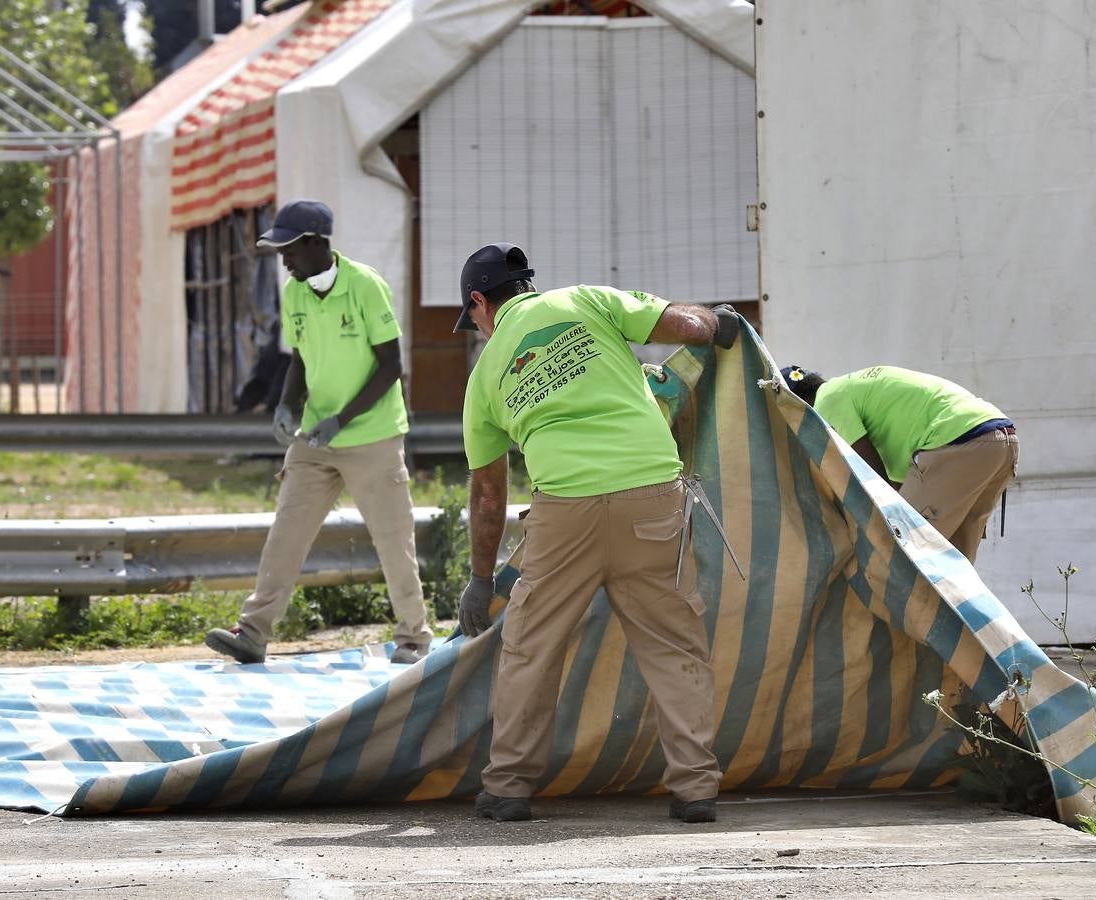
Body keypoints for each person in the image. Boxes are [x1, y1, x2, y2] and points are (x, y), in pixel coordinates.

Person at [454, 242, 738, 824]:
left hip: (564, 513)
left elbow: (488, 496)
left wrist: (481, 580)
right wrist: (720, 320)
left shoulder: (484, 377)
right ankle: (695, 789)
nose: (477, 328)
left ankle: (508, 787)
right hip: (652, 499)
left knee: (531, 649)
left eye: (473, 317)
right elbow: (688, 327)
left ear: (480, 302)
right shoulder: (588, 300)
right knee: (673, 643)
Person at [205, 200, 432, 666]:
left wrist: (342, 420)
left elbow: (391, 367)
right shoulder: (296, 292)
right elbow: (300, 360)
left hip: (372, 436)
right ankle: (252, 632)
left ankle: (413, 638)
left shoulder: (366, 286)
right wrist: (287, 406)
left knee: (394, 538)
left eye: (288, 249)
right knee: (287, 532)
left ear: (315, 243)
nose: (283, 260)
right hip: (315, 440)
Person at [781, 364, 1018, 563]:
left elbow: (873, 483)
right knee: (952, 569)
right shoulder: (852, 390)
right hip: (1000, 441)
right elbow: (897, 488)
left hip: (959, 441)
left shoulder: (826, 401)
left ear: (795, 405)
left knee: (901, 557)